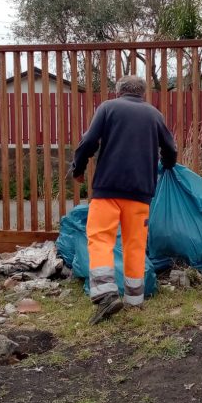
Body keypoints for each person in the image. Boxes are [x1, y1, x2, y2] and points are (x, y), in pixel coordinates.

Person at [71, 75, 177, 324]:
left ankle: (106, 295)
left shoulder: (108, 107)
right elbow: (170, 149)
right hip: (140, 193)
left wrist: (78, 167)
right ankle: (134, 300)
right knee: (135, 244)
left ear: (119, 91)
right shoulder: (154, 114)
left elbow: (88, 141)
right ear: (143, 93)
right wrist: (168, 166)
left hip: (108, 189)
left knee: (100, 238)